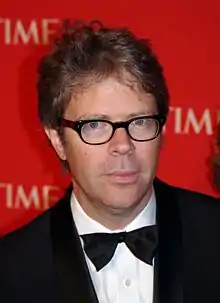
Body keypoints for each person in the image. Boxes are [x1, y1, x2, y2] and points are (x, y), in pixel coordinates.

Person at [0, 20, 220, 303]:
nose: (122, 146)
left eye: (139, 122)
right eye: (95, 125)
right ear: (57, 140)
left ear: (162, 129)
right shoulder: (11, 272)